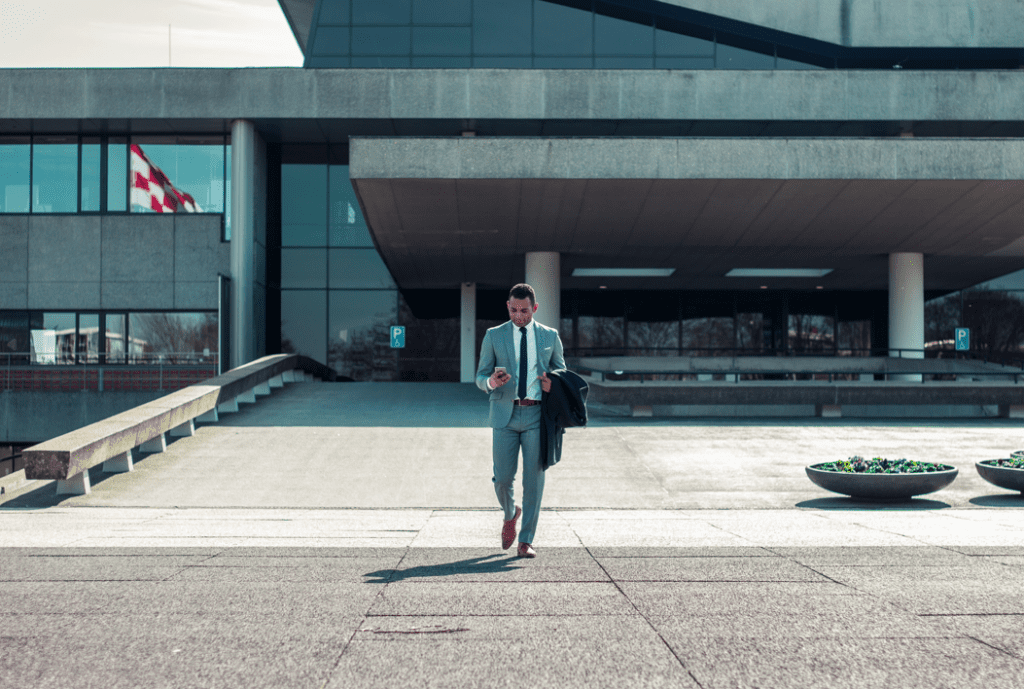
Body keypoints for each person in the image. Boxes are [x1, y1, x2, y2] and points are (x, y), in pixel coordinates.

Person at [476, 283, 565, 558]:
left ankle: (525, 540)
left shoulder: (550, 336)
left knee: (534, 481)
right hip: (505, 414)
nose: (519, 315)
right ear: (508, 306)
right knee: (502, 479)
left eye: (524, 310)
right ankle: (510, 512)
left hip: (537, 416)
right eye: (513, 310)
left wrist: (554, 384)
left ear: (534, 308)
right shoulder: (494, 336)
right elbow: (479, 377)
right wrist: (490, 382)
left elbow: (562, 371)